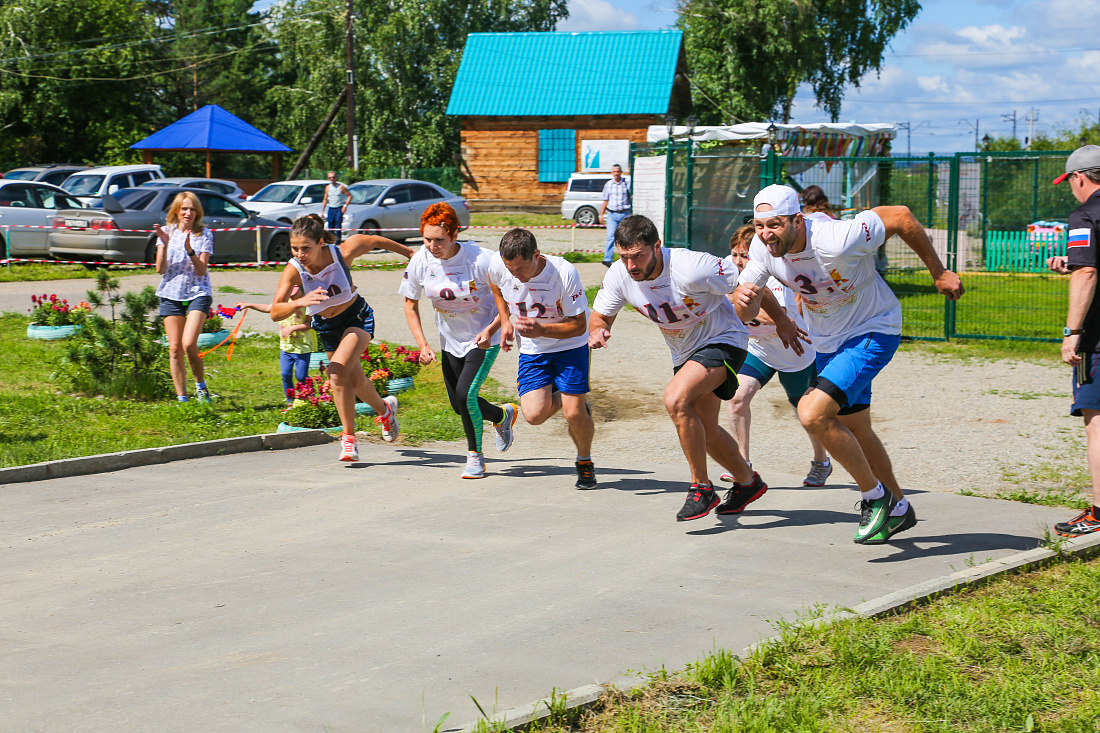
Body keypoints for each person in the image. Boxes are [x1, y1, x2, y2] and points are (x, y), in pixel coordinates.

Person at [735, 185, 964, 544]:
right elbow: (744, 307)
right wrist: (744, 301)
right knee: (856, 428)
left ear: (798, 219)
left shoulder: (836, 238)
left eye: (775, 225)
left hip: (873, 328)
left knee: (812, 414)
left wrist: (938, 271)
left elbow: (902, 216)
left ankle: (875, 497)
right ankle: (900, 508)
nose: (766, 234)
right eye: (760, 225)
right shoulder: (762, 248)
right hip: (828, 342)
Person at [589, 214, 806, 522]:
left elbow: (753, 286)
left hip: (725, 340)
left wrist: (782, 321)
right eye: (624, 257)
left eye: (638, 256)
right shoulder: (620, 276)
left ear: (657, 247)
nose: (631, 265)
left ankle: (701, 487)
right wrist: (597, 330)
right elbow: (599, 317)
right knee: (704, 429)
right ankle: (748, 482)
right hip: (685, 353)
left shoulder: (693, 267)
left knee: (675, 399)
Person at [270, 214, 415, 462]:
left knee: (336, 373)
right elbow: (275, 311)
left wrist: (411, 255)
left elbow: (375, 241)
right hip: (327, 328)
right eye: (295, 248)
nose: (300, 254)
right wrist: (302, 301)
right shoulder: (294, 269)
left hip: (356, 318)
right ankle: (385, 410)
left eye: (306, 248)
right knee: (356, 381)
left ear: (320, 243)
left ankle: (348, 440)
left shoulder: (342, 252)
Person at [400, 202, 518, 479]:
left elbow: (512, 294)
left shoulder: (482, 259)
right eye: (427, 239)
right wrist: (423, 345)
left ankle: (475, 457)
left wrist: (492, 329)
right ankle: (502, 416)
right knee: (458, 404)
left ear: (455, 234)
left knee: (466, 397)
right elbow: (409, 304)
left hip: (484, 336)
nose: (432, 245)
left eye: (439, 239)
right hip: (450, 339)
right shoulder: (421, 260)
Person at [723, 224, 832, 487]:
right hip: (758, 349)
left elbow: (771, 317)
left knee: (805, 412)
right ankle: (742, 464)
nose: (738, 261)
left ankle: (821, 461)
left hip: (793, 351)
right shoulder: (728, 268)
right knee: (737, 398)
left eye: (744, 256)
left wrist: (728, 304)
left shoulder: (768, 273)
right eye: (735, 254)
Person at [488, 228, 597, 489]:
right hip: (534, 349)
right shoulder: (500, 265)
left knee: (574, 415)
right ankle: (571, 400)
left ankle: (584, 462)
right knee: (534, 416)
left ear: (536, 255)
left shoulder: (563, 273)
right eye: (510, 268)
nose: (515, 275)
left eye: (521, 269)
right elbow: (494, 283)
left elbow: (579, 325)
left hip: (571, 344)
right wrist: (504, 321)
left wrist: (542, 329)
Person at [1047, 144, 1100, 536]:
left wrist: (1073, 333)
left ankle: (1099, 514)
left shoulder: (1084, 214)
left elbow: (1088, 274)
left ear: (1080, 178)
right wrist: (1074, 262)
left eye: (1071, 184)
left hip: (1098, 339)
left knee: (1096, 422)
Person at [154, 191, 215, 403]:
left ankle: (201, 388)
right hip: (171, 293)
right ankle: (183, 400)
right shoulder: (167, 231)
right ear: (177, 211)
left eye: (192, 209)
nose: (188, 213)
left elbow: (201, 270)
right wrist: (163, 243)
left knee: (188, 343)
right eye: (184, 209)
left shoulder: (204, 234)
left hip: (198, 291)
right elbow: (160, 269)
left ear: (197, 212)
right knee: (174, 348)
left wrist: (189, 250)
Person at [236, 285, 318, 408]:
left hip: (302, 347)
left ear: (302, 289)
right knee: (285, 375)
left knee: (301, 377)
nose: (291, 294)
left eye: (294, 292)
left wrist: (293, 327)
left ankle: (310, 398)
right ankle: (290, 402)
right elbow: (269, 308)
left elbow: (310, 324)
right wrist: (248, 305)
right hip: (285, 347)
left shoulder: (306, 304)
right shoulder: (283, 302)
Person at [598, 164, 631, 267]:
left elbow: (632, 197)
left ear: (621, 172)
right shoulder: (609, 184)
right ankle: (607, 259)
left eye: (618, 171)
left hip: (624, 213)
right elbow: (605, 200)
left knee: (625, 237)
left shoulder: (626, 183)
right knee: (610, 237)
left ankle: (627, 258)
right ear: (612, 173)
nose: (616, 173)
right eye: (614, 172)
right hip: (612, 214)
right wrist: (601, 214)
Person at [324, 171, 351, 245]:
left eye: (333, 177)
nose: (332, 179)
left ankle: (338, 243)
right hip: (331, 208)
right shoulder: (328, 187)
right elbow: (325, 199)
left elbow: (349, 196)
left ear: (336, 177)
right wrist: (323, 211)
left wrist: (345, 206)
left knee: (338, 226)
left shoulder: (341, 187)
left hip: (339, 208)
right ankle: (330, 243)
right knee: (330, 226)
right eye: (330, 177)